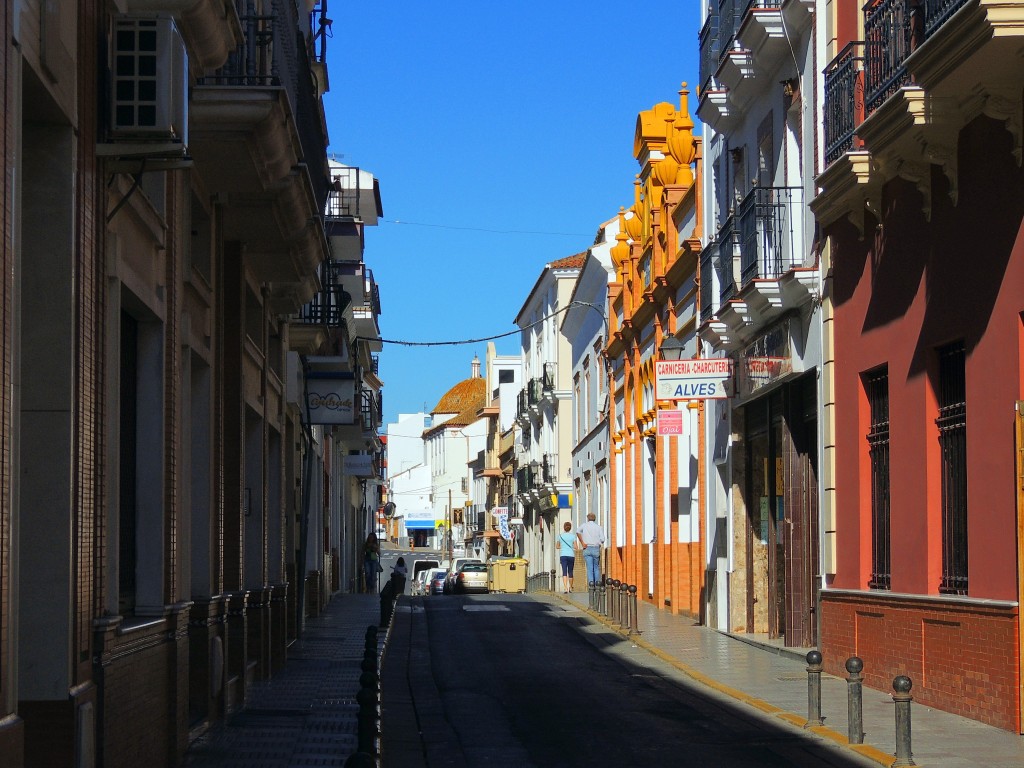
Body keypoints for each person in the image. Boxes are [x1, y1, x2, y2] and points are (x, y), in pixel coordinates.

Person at [575, 512, 605, 587]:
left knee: (589, 568)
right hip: (595, 548)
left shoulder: (584, 525)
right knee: (596, 568)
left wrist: (582, 542)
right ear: (595, 519)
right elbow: (602, 539)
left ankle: (591, 586)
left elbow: (578, 531)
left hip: (587, 547)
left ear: (588, 518)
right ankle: (597, 585)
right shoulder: (598, 527)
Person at [557, 521, 577, 593]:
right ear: (570, 528)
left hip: (563, 555)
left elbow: (557, 546)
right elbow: (576, 546)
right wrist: (571, 546)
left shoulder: (560, 536)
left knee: (564, 572)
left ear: (564, 528)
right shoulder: (573, 536)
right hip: (571, 555)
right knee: (570, 572)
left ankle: (565, 588)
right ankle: (570, 587)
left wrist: (562, 547)